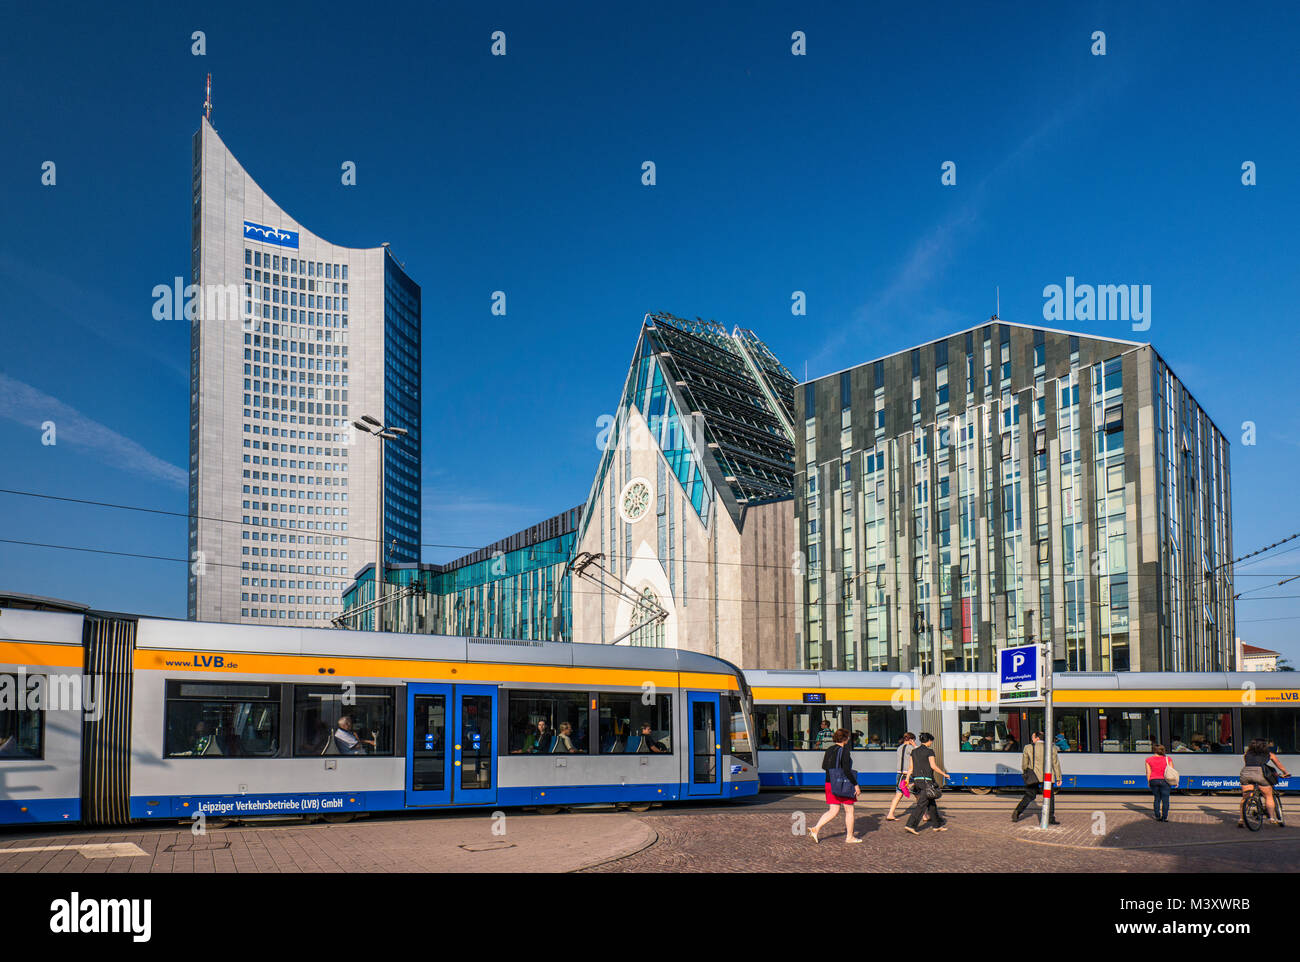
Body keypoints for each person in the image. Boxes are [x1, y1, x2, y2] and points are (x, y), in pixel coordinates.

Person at [809, 728, 861, 844]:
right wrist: (855, 785)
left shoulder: (829, 749)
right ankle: (850, 837)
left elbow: (824, 766)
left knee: (833, 810)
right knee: (849, 810)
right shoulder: (845, 751)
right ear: (845, 738)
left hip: (829, 783)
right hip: (842, 784)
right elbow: (847, 771)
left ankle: (816, 828)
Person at [1239, 737, 1291, 828]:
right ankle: (1271, 818)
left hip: (1246, 773)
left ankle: (1241, 819)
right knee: (1268, 796)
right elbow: (1279, 766)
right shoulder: (1270, 754)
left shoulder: (1246, 754)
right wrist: (1285, 773)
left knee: (1245, 797)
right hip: (1260, 774)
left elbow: (1248, 763)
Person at [904, 732, 948, 834]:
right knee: (922, 804)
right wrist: (944, 774)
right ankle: (910, 825)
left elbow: (910, 767)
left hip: (917, 780)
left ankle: (937, 825)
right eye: (931, 741)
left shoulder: (914, 752)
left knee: (931, 803)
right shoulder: (930, 751)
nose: (931, 743)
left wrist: (906, 779)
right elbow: (933, 766)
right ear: (929, 741)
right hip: (926, 781)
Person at [1013, 731, 1061, 824]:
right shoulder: (1051, 747)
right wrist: (1058, 778)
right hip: (1047, 776)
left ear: (1037, 738)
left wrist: (1025, 772)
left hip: (1033, 776)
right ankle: (1050, 818)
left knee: (1029, 795)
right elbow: (1055, 764)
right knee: (1049, 796)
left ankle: (1017, 812)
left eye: (1033, 737)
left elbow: (1024, 763)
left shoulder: (1028, 747)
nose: (1032, 739)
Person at [886, 732, 917, 821]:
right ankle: (925, 815)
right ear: (912, 740)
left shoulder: (899, 748)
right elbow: (919, 753)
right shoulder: (911, 748)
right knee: (918, 794)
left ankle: (890, 814)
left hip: (899, 775)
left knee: (898, 794)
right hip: (908, 774)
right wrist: (914, 745)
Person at [1145, 743, 1173, 822]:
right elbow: (1172, 772)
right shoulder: (1168, 759)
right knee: (1165, 800)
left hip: (1154, 780)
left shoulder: (1148, 760)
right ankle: (1164, 817)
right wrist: (1174, 782)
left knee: (1157, 799)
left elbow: (1148, 772)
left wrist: (1149, 781)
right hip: (1165, 781)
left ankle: (1157, 816)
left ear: (1154, 750)